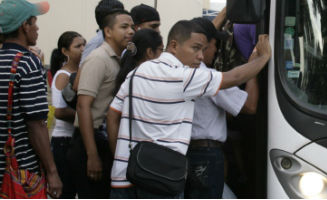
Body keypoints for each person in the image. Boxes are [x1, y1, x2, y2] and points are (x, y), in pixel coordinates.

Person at [107, 20, 271, 198]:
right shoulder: (184, 77)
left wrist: (122, 158)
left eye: (203, 49)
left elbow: (112, 115)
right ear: (174, 46)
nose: (201, 56)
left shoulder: (137, 72)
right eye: (195, 48)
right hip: (158, 180)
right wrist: (262, 58)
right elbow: (235, 77)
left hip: (124, 176)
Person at [184, 17, 259, 198]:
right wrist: (253, 68)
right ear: (204, 44)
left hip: (188, 152)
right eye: (215, 44)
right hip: (206, 154)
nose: (217, 50)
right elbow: (249, 106)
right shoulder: (206, 76)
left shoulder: (179, 69)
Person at [0, 0, 62, 198]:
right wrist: (52, 171)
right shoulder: (27, 63)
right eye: (34, 22)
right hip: (19, 170)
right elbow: (36, 125)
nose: (37, 28)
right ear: (23, 26)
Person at [67, 9, 134, 198]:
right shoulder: (98, 59)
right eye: (124, 27)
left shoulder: (119, 58)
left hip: (105, 139)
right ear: (108, 31)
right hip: (90, 141)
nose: (130, 31)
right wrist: (92, 155)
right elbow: (83, 106)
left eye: (132, 27)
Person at [49, 31, 85, 198]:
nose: (83, 49)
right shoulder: (63, 76)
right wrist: (85, 116)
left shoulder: (79, 72)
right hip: (63, 141)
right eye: (78, 46)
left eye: (84, 44)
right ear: (65, 51)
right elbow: (60, 111)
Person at [113, 29, 163, 97]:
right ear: (150, 52)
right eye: (161, 50)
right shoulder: (144, 81)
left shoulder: (128, 78)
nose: (163, 55)